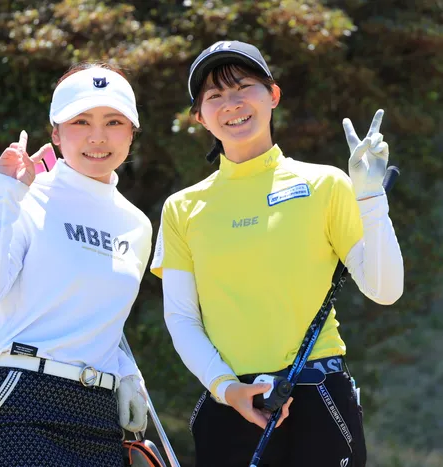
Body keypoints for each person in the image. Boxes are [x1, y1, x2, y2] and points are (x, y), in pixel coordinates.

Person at [150, 40, 404, 466]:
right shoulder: (182, 208)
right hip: (231, 402)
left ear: (273, 94)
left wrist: (370, 197)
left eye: (243, 87)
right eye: (215, 95)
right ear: (199, 117)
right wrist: (226, 388)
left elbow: (385, 289)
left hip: (318, 395)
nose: (231, 104)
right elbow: (181, 318)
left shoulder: (326, 184)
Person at [0, 62, 152, 467]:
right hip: (18, 399)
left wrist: (127, 373)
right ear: (56, 133)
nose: (98, 137)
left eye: (114, 122)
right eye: (81, 121)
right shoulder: (25, 194)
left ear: (132, 132)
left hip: (98, 416)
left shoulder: (137, 225)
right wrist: (6, 194)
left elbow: (99, 320)